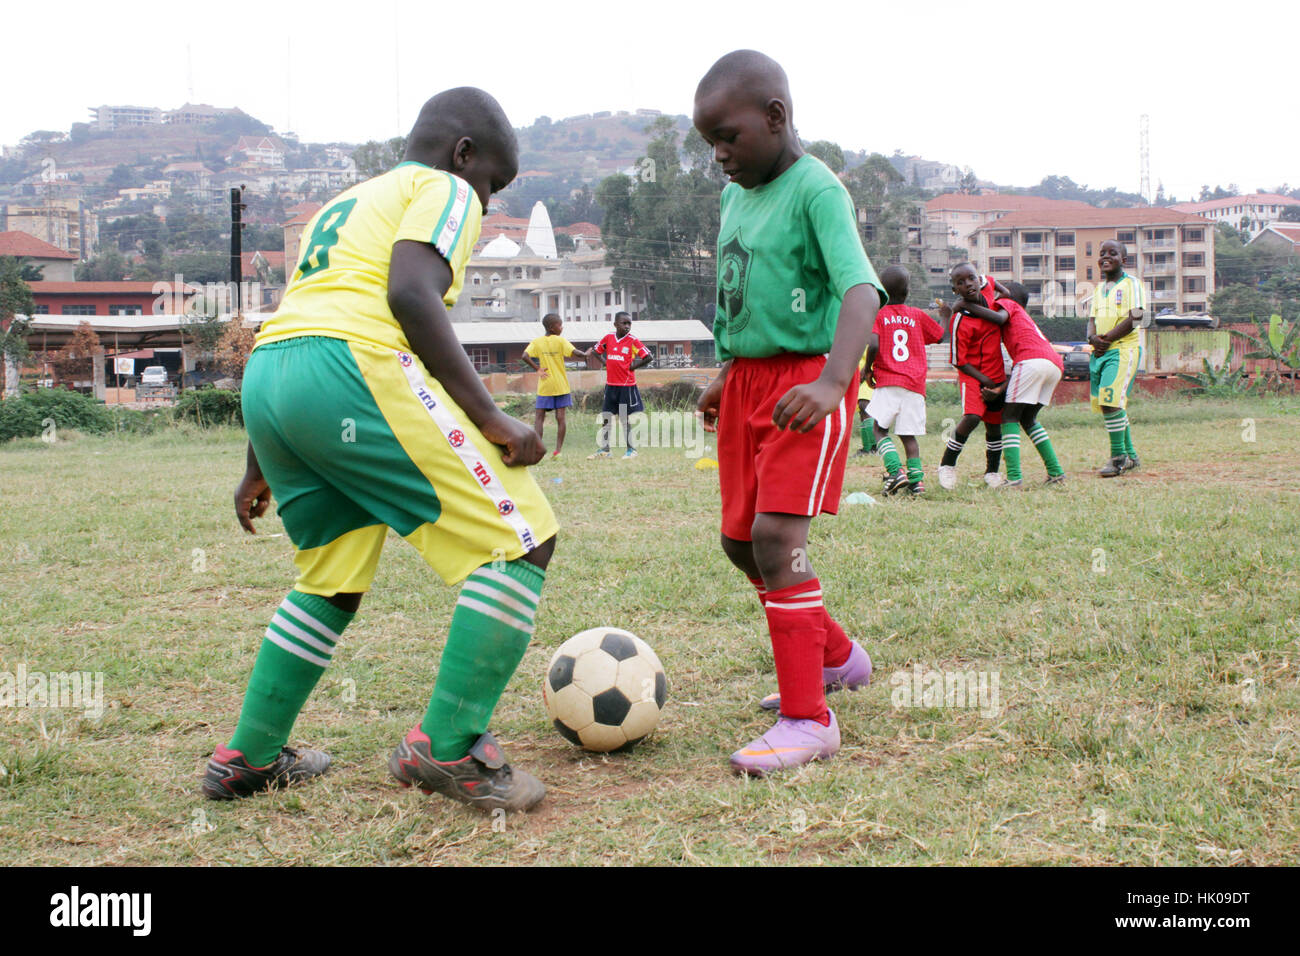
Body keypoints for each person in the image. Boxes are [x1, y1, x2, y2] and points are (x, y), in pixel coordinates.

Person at [203, 87, 559, 815]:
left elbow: (302, 314)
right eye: (493, 182)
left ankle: (249, 754)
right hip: (349, 367)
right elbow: (409, 293)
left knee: (330, 582)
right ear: (465, 155)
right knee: (524, 542)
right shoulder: (444, 189)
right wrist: (490, 415)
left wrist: (258, 462)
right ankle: (449, 746)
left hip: (274, 379)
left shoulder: (355, 199)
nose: (486, 202)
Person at [694, 50, 885, 776]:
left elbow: (861, 291)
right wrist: (728, 372)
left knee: (777, 540)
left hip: (807, 386)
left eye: (729, 136)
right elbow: (749, 293)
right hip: (749, 382)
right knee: (740, 544)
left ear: (776, 118)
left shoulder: (817, 190)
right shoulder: (734, 196)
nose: (718, 154)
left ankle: (810, 720)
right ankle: (836, 657)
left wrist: (836, 383)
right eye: (708, 140)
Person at [966, 281, 1066, 487]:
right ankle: (1056, 472)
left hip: (1031, 362)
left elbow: (999, 317)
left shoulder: (1010, 307)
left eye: (998, 298)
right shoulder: (1025, 321)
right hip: (1053, 364)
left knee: (1008, 417)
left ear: (1008, 300)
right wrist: (1001, 389)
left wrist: (966, 305)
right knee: (1028, 418)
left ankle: (1013, 477)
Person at [862, 265, 945, 495]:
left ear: (882, 292)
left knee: (879, 429)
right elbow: (939, 336)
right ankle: (917, 482)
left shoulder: (879, 315)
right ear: (908, 291)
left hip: (889, 380)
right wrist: (945, 318)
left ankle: (896, 471)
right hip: (915, 385)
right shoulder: (917, 315)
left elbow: (874, 344)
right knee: (909, 436)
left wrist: (868, 369)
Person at [937, 263, 1005, 490]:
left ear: (978, 279)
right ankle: (947, 465)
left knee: (995, 425)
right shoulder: (959, 320)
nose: (967, 284)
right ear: (955, 290)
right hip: (973, 376)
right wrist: (983, 380)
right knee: (973, 417)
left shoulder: (987, 289)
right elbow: (958, 360)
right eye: (960, 282)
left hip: (995, 374)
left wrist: (1004, 302)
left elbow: (1003, 290)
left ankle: (992, 472)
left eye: (971, 278)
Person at [1088, 239, 1145, 476]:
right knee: (1110, 403)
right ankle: (1131, 455)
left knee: (1110, 401)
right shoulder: (1098, 290)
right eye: (1102, 253)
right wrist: (1093, 339)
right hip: (1101, 351)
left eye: (1113, 253)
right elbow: (1091, 320)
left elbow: (1137, 316)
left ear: (1124, 260)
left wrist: (1107, 339)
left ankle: (1118, 457)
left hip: (1123, 349)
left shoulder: (1133, 284)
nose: (1106, 257)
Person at [521, 313, 589, 460]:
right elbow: (577, 353)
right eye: (560, 325)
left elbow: (524, 356)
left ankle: (536, 449)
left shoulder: (537, 342)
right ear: (552, 327)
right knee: (561, 418)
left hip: (545, 386)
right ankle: (558, 450)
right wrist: (586, 353)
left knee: (539, 418)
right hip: (561, 386)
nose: (562, 327)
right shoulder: (560, 341)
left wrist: (538, 369)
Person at [588, 311, 653, 459]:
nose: (627, 326)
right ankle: (605, 449)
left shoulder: (632, 340)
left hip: (625, 386)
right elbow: (596, 351)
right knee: (606, 417)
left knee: (624, 418)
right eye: (624, 323)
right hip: (611, 385)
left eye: (629, 323)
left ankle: (631, 450)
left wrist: (632, 367)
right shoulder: (608, 338)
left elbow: (649, 356)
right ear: (616, 324)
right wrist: (606, 363)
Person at [852, 353, 878, 457]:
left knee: (864, 405)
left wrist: (864, 372)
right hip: (859, 377)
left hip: (870, 374)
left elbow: (874, 353)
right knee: (862, 411)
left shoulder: (870, 337)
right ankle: (866, 449)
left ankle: (875, 447)